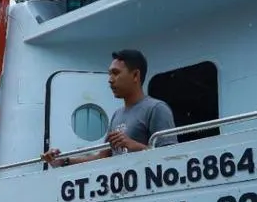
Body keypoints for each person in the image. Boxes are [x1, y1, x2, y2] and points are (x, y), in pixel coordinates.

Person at [43, 48, 177, 167]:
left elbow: (172, 157)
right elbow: (102, 157)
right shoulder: (117, 115)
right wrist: (64, 161)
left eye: (116, 73)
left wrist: (133, 145)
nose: (110, 79)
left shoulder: (157, 108)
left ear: (135, 75)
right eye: (110, 74)